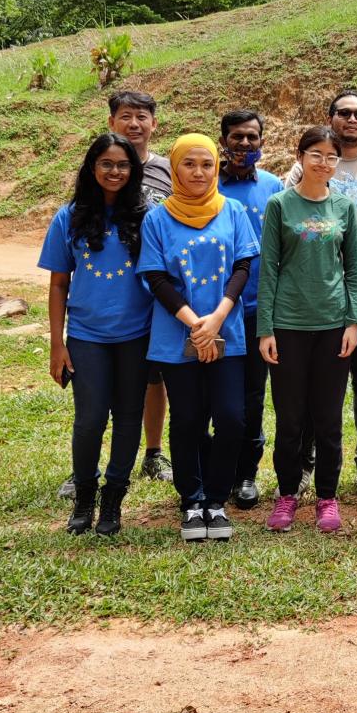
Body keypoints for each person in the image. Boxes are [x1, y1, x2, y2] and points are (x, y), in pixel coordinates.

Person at [136, 135, 259, 543]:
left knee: (230, 418)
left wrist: (218, 317)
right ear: (174, 168)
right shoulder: (157, 218)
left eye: (207, 164)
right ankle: (191, 500)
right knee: (187, 419)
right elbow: (156, 277)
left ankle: (217, 499)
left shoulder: (234, 210)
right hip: (177, 335)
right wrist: (195, 324)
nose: (199, 172)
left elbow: (243, 265)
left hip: (228, 331)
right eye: (189, 164)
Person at [284, 89, 357, 502]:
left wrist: (355, 273)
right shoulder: (306, 168)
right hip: (318, 304)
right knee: (315, 386)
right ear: (329, 117)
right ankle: (305, 463)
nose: (351, 119)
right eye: (343, 112)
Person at [38, 134, 152, 536]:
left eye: (122, 165)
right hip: (86, 337)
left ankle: (113, 500)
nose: (115, 171)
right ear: (91, 168)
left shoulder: (146, 216)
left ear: (133, 170)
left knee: (127, 419)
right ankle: (85, 495)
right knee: (88, 420)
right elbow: (57, 285)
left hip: (136, 336)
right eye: (106, 163)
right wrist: (57, 342)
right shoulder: (67, 217)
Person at [258, 126, 357, 534]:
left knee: (328, 419)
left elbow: (354, 269)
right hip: (287, 325)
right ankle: (287, 495)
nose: (323, 162)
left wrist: (352, 321)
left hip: (333, 326)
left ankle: (327, 498)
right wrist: (265, 327)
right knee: (290, 419)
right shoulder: (280, 205)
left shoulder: (344, 207)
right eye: (315, 154)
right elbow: (268, 268)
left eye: (331, 156)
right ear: (300, 157)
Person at [217, 108, 283, 509]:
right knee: (216, 397)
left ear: (262, 141)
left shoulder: (274, 186)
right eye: (237, 137)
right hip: (216, 313)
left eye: (252, 138)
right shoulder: (208, 185)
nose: (244, 144)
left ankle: (245, 475)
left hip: (260, 310)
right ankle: (215, 470)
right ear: (223, 140)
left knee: (252, 397)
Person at [107, 89, 173, 484]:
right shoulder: (104, 164)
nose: (134, 124)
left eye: (142, 117)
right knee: (107, 378)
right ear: (112, 122)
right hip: (114, 292)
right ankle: (103, 458)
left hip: (158, 291)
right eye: (126, 117)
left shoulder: (167, 168)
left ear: (153, 124)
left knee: (155, 376)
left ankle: (153, 452)